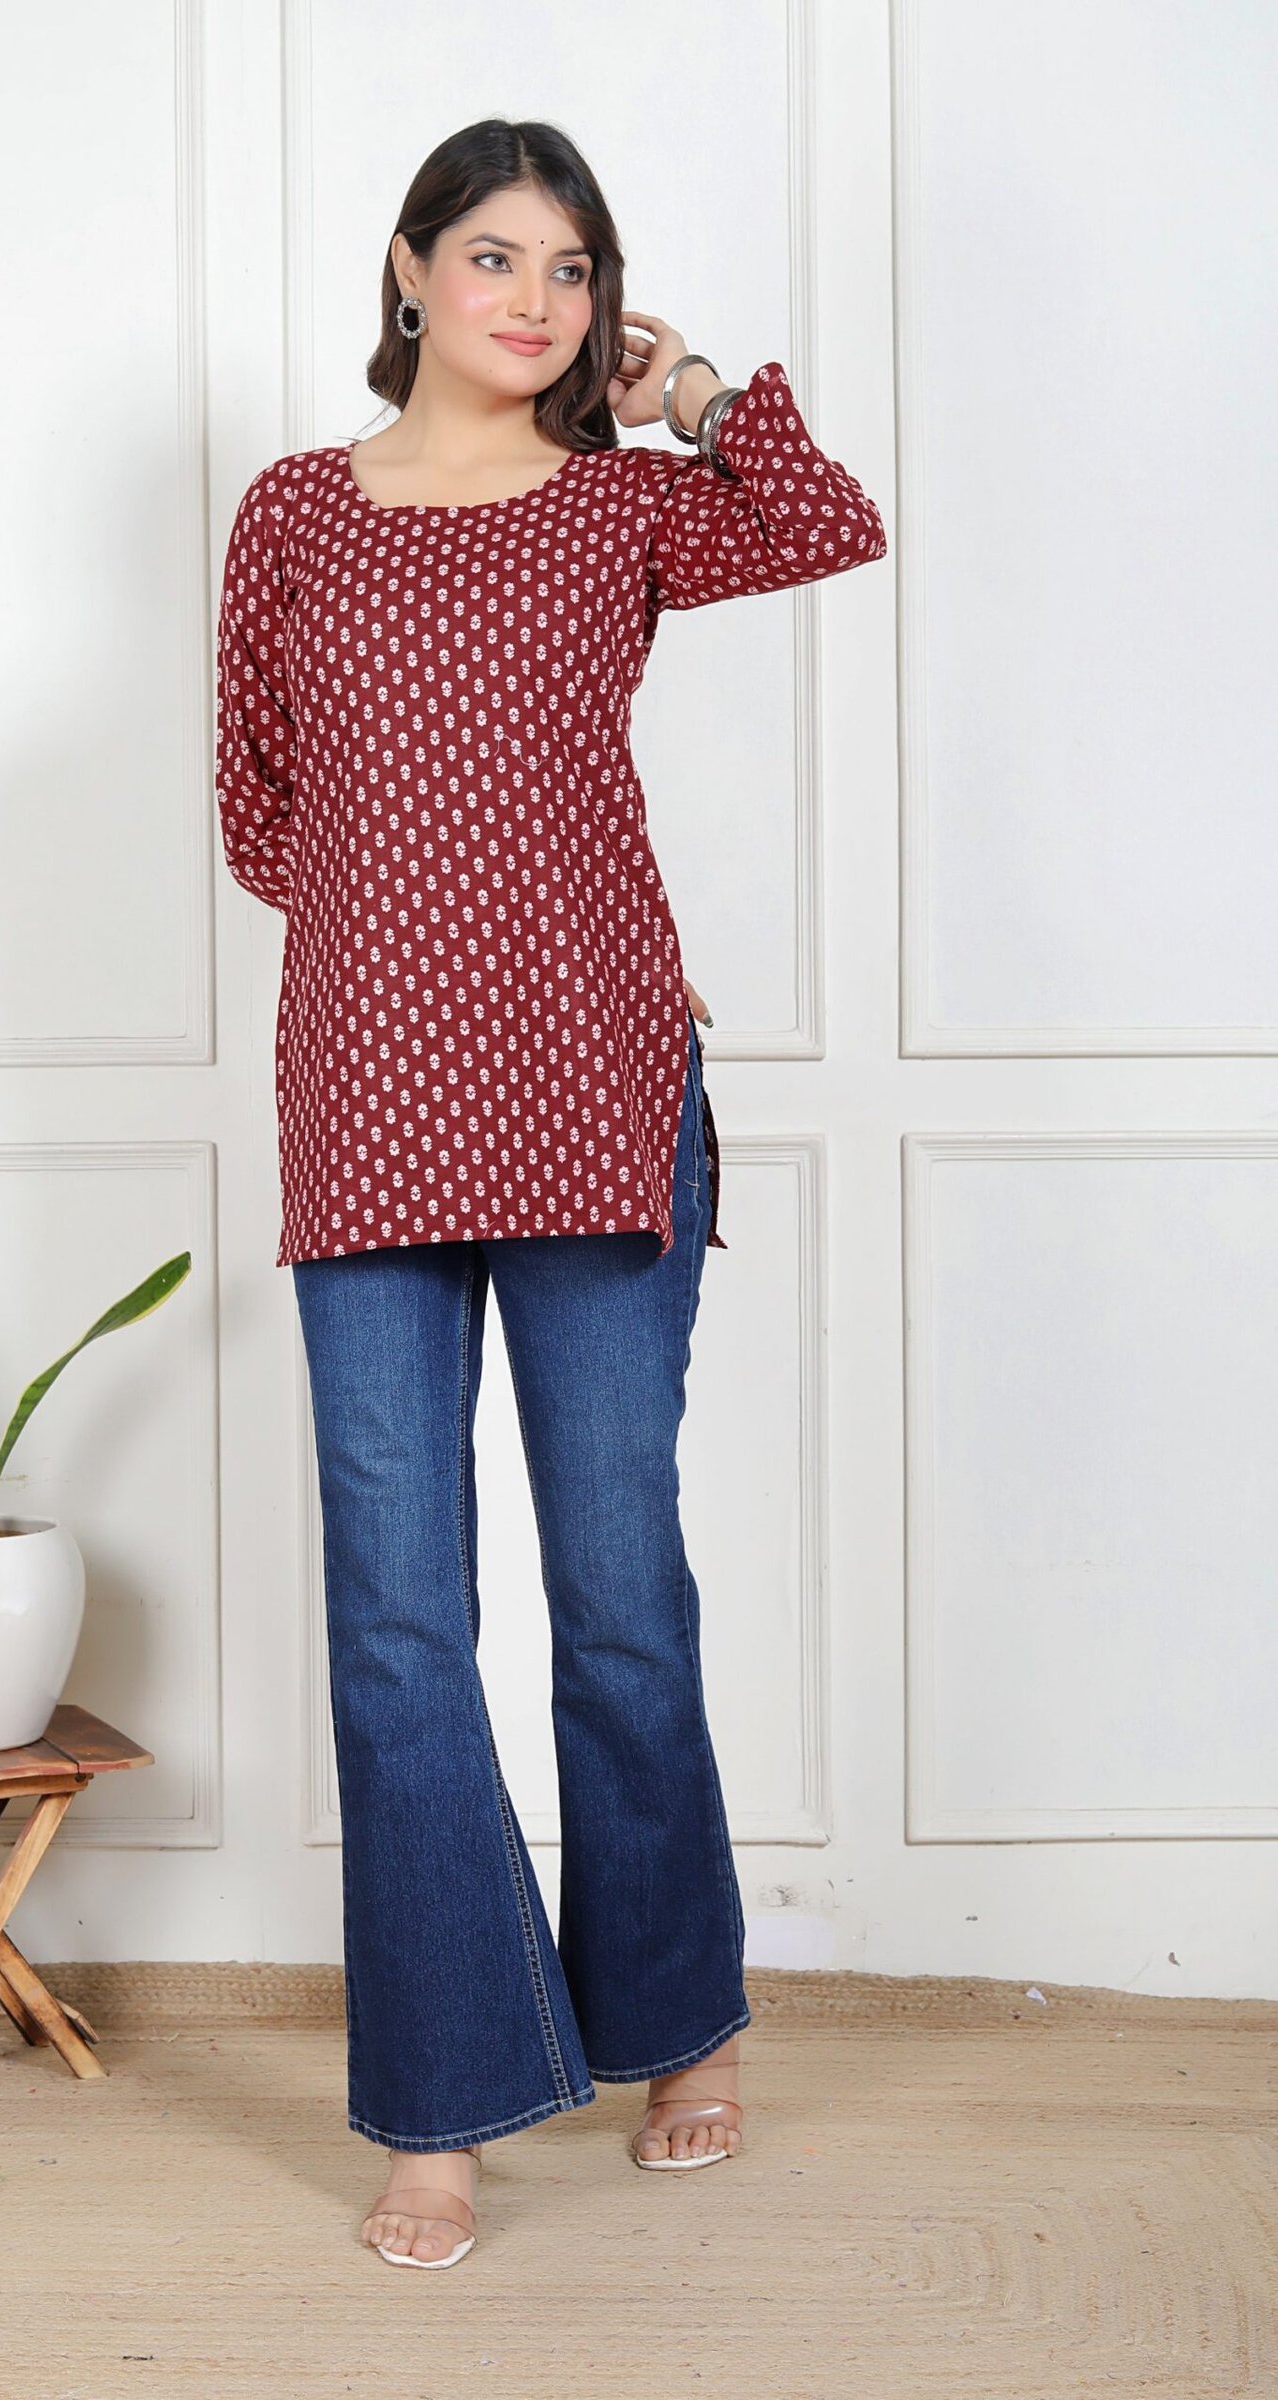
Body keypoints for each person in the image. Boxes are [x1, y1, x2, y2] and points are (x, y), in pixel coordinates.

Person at [214, 116, 886, 2269]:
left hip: (598, 1093)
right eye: (495, 256)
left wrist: (691, 396)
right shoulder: (293, 511)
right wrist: (431, 936)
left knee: (616, 1593)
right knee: (398, 1624)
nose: (534, 298)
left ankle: (678, 2026)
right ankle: (443, 2102)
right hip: (365, 1110)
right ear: (410, 270)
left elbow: (829, 521)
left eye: (573, 269)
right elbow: (259, 809)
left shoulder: (620, 503)